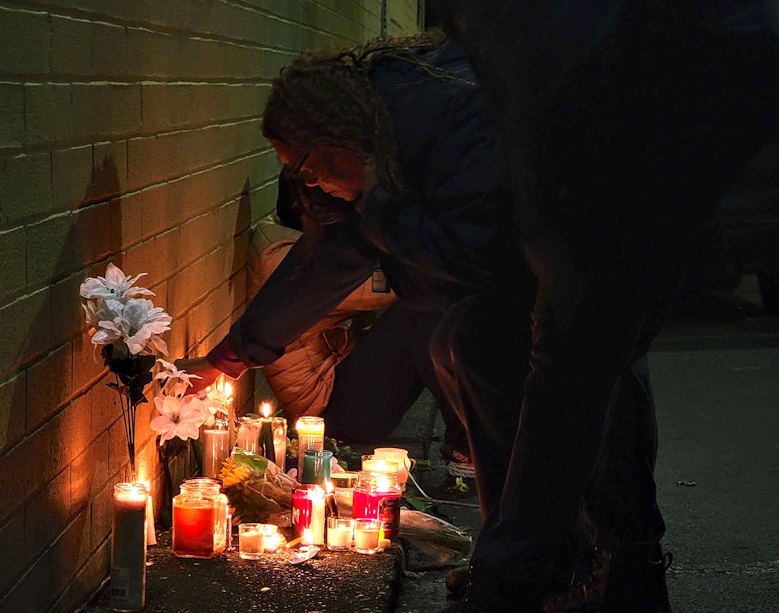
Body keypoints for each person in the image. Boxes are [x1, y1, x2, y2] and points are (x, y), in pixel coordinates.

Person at [424, 0, 779, 612]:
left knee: (573, 363)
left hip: (659, 120)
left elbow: (542, 89)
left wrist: (550, 229)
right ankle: (617, 567)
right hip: (666, 113)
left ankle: (524, 580)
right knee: (598, 354)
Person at [174, 30, 532, 495]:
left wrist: (380, 209)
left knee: (537, 394)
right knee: (460, 352)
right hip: (527, 274)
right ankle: (527, 550)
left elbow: (467, 250)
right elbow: (326, 263)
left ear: (336, 134)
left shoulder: (451, 125)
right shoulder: (383, 154)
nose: (312, 184)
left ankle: (592, 554)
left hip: (580, 261)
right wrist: (226, 360)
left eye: (306, 168)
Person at [251, 171, 473, 476]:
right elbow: (389, 285)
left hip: (341, 384)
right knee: (423, 310)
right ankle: (469, 442)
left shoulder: (291, 244)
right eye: (337, 196)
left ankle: (470, 431)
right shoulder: (285, 257)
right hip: (333, 414)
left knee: (430, 315)